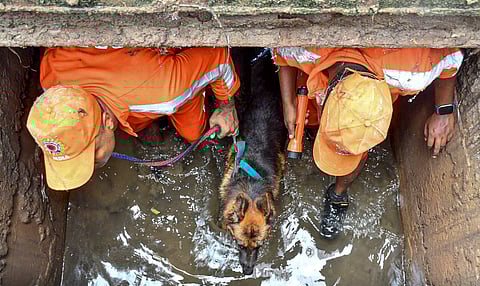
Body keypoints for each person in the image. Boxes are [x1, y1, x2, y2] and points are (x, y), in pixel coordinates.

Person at [272, 48, 464, 239]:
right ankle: (320, 133)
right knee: (310, 119)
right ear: (327, 94)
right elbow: (281, 49)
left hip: (385, 71)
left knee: (354, 148)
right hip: (325, 65)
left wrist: (444, 111)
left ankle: (338, 195)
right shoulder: (308, 50)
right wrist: (288, 102)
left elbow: (452, 58)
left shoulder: (413, 74)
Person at [27, 47, 240, 191]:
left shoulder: (164, 94)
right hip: (130, 72)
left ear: (107, 121)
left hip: (159, 67)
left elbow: (219, 58)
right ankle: (147, 125)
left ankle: (193, 92)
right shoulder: (51, 80)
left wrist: (226, 105)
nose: (94, 163)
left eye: (93, 155)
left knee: (193, 133)